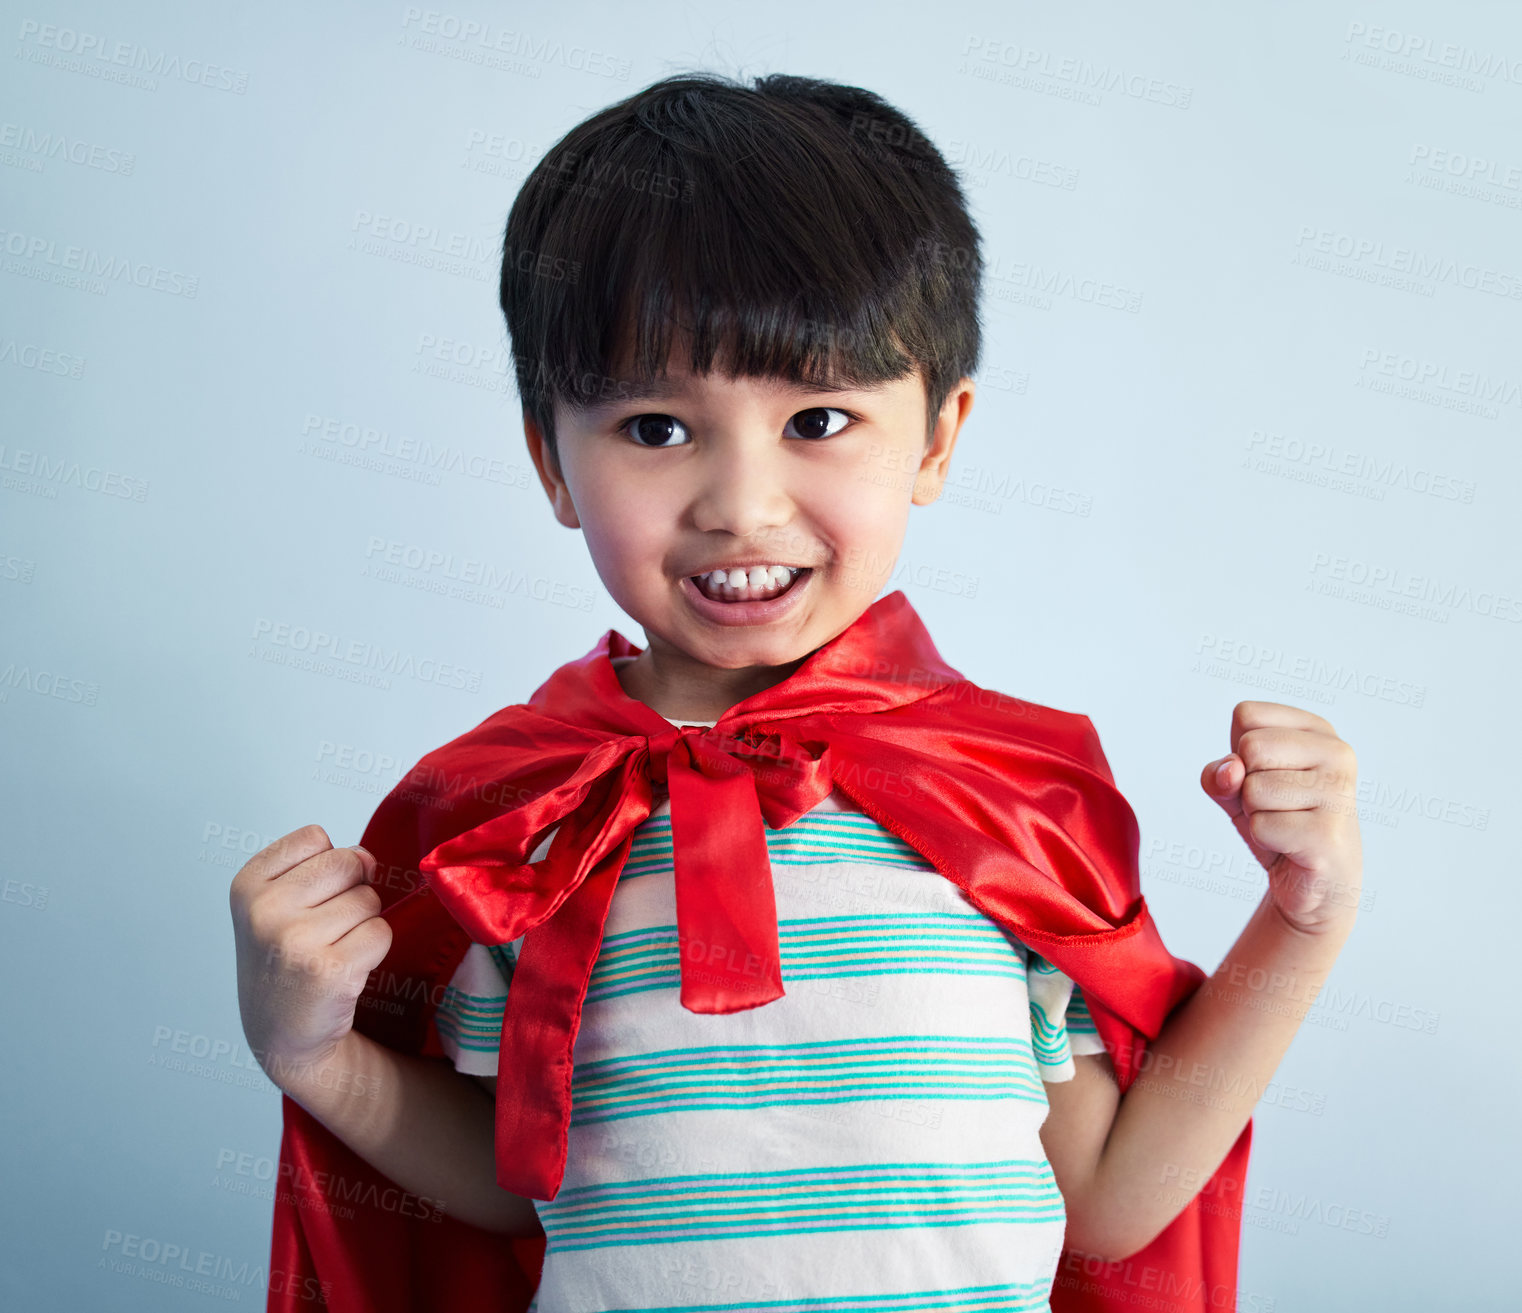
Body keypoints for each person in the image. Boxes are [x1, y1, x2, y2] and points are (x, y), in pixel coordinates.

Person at [230, 72, 1362, 1313]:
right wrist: (310, 1052)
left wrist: (1301, 918)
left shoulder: (1008, 801)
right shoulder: (519, 826)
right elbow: (517, 1182)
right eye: (656, 428)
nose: (743, 503)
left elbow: (1106, 1196)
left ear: (935, 437)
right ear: (550, 458)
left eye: (818, 417)